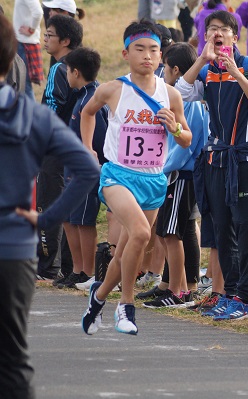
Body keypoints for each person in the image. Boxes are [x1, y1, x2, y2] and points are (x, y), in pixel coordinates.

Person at [0, 14, 99, 398]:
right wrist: (46, 217)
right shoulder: (34, 116)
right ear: (12, 62)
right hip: (14, 247)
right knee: (12, 360)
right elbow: (88, 170)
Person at [80, 20, 192, 336]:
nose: (147, 56)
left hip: (154, 179)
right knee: (142, 234)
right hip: (117, 175)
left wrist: (174, 127)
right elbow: (88, 113)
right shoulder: (113, 89)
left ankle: (98, 297)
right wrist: (88, 149)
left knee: (127, 251)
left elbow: (187, 138)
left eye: (153, 50)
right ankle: (125, 306)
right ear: (125, 53)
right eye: (139, 49)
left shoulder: (170, 95)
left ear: (161, 55)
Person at [176, 10, 248, 321]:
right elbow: (180, 93)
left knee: (245, 228)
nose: (217, 34)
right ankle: (229, 293)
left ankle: (247, 297)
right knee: (221, 228)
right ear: (205, 37)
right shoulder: (207, 70)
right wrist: (202, 61)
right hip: (214, 159)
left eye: (223, 30)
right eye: (212, 30)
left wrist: (236, 71)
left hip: (242, 159)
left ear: (235, 36)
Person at [142, 42, 208, 309]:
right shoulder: (186, 98)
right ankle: (175, 286)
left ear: (176, 69)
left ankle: (180, 291)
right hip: (182, 173)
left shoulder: (184, 101)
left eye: (165, 67)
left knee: (171, 234)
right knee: (181, 231)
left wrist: (163, 166)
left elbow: (186, 143)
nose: (161, 72)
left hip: (180, 173)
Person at [37, 14, 83, 283]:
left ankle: (47, 267)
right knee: (70, 209)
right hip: (74, 147)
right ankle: (68, 266)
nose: (45, 38)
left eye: (50, 34)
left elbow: (51, 110)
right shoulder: (79, 66)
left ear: (65, 40)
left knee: (49, 204)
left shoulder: (59, 69)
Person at [59, 47, 109, 289]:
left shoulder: (93, 98)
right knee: (72, 219)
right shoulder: (82, 96)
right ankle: (78, 269)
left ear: (76, 72)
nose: (67, 75)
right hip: (72, 171)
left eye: (67, 70)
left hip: (86, 173)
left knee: (85, 221)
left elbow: (98, 141)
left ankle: (88, 272)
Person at [12, 0, 44, 99]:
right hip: (22, 42)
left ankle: (31, 114)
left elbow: (38, 12)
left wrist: (31, 29)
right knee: (22, 84)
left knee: (24, 84)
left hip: (25, 44)